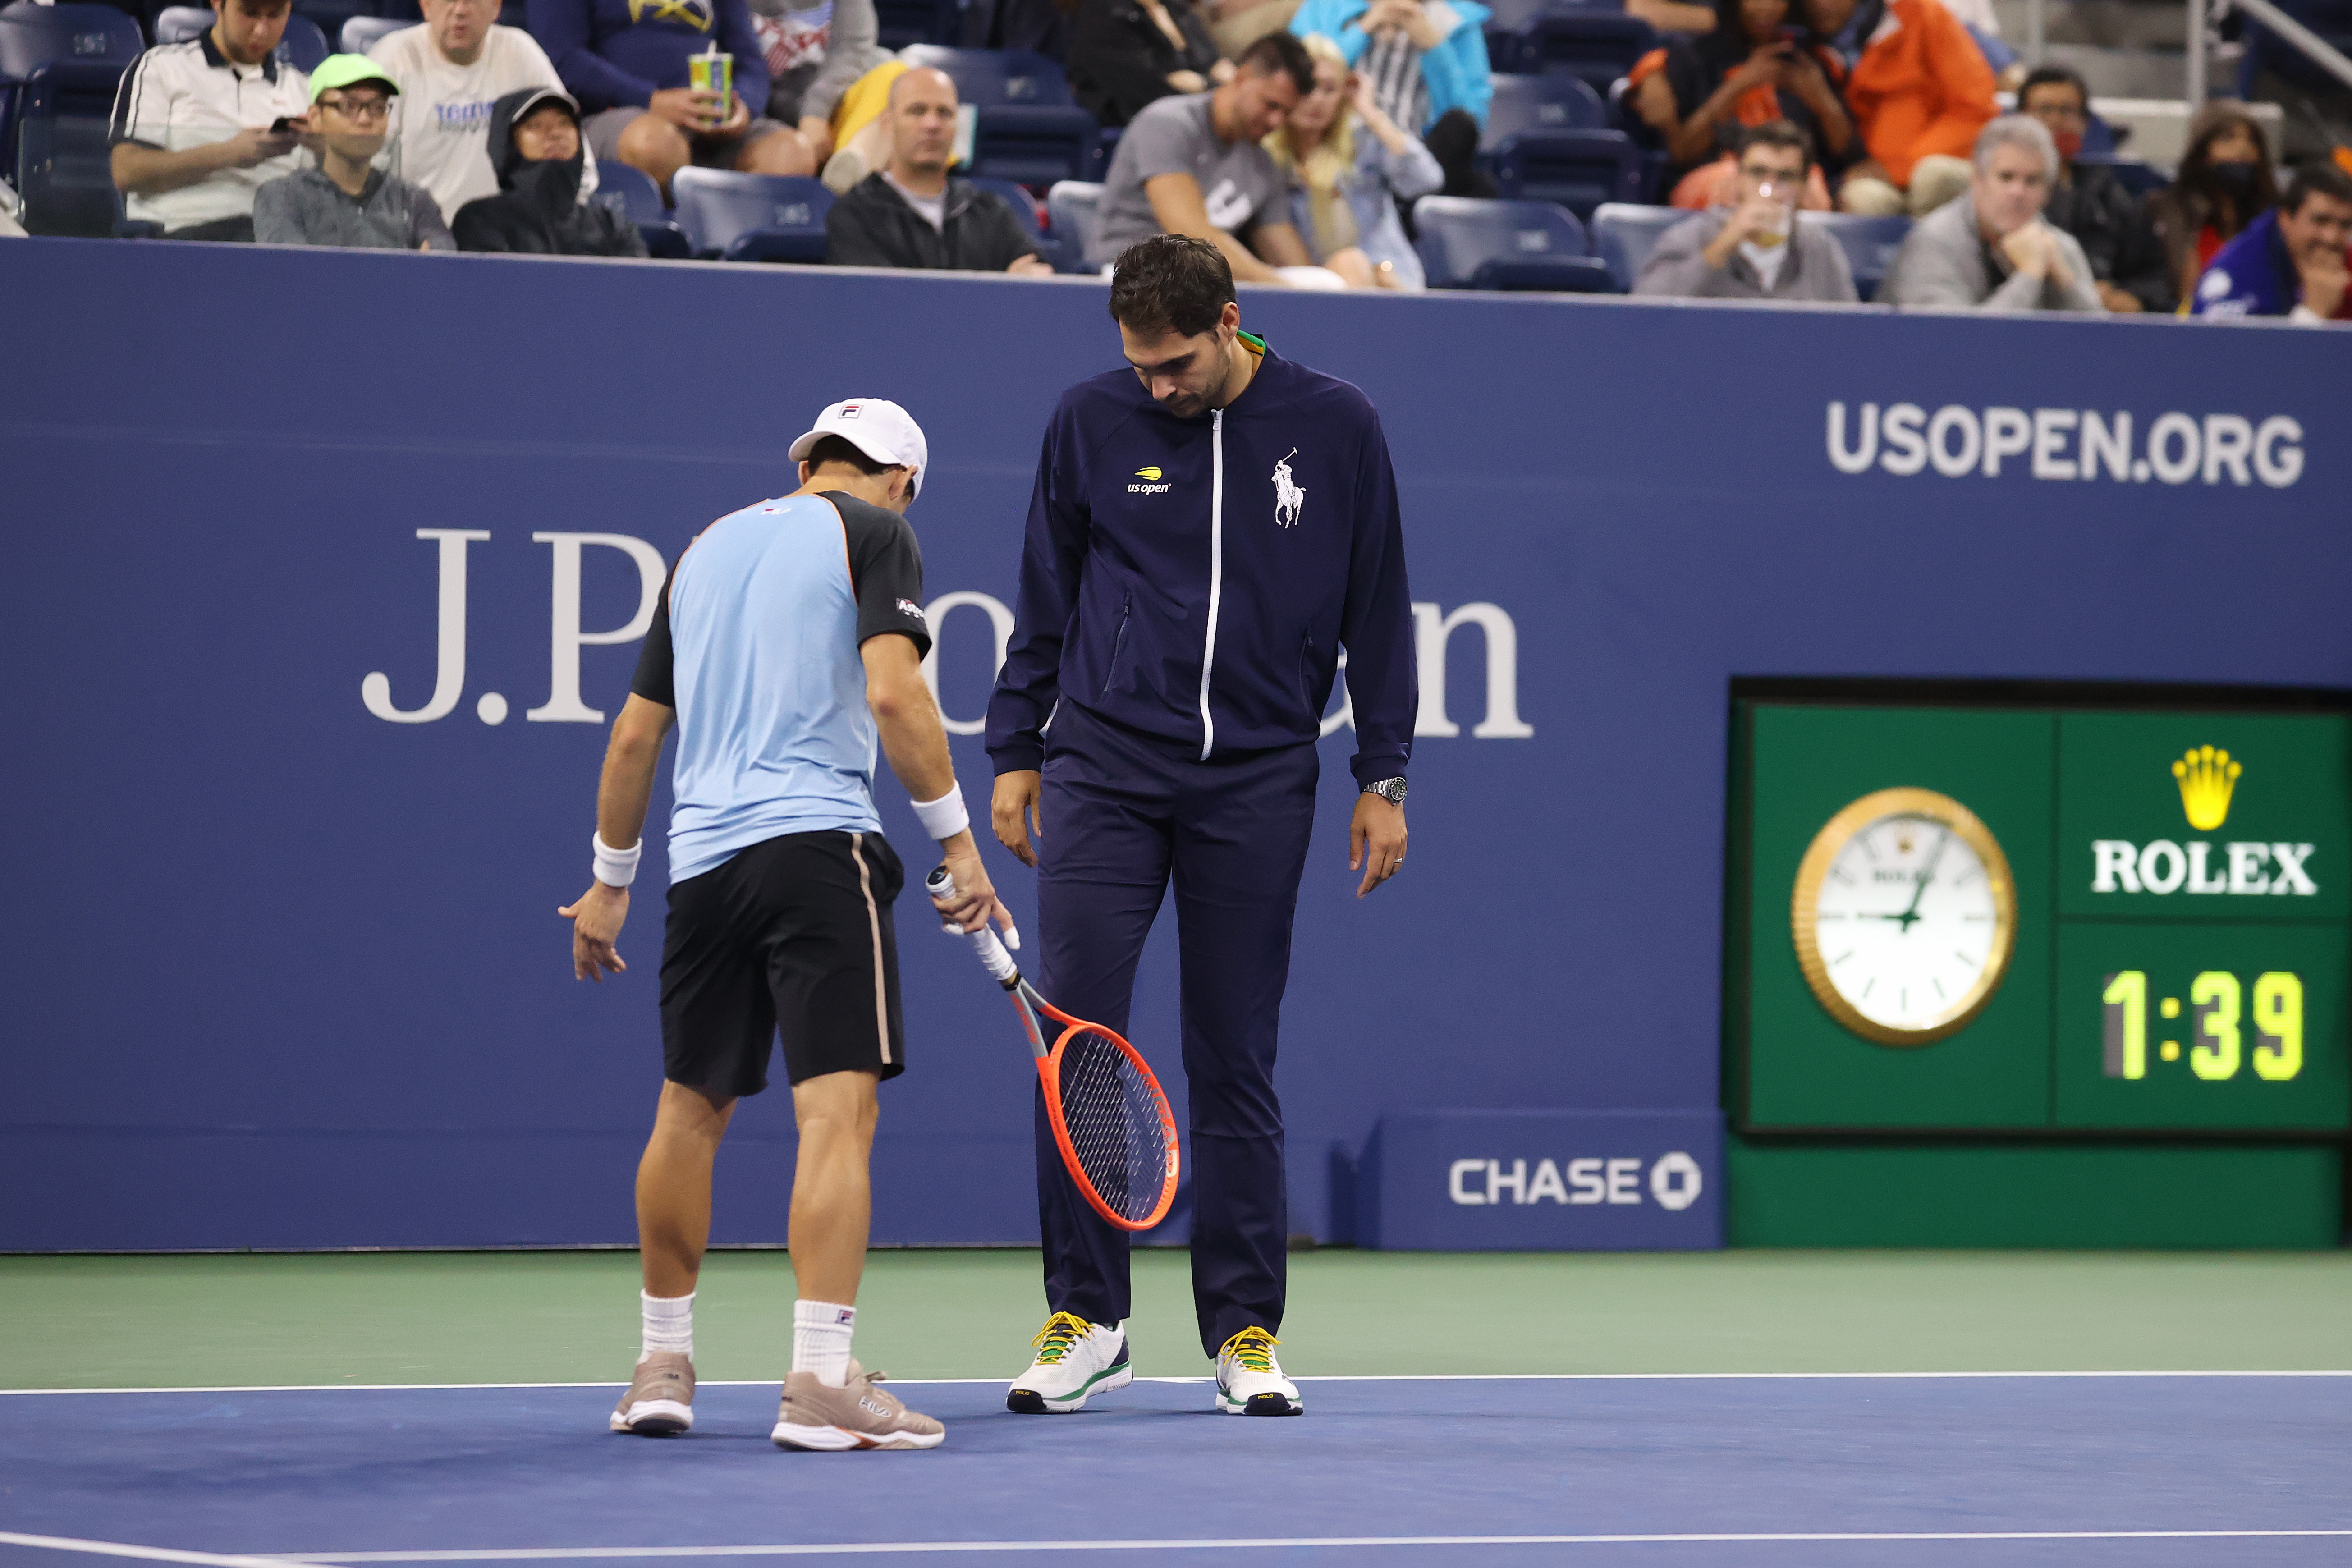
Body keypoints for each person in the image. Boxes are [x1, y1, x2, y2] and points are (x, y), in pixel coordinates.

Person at [984, 235, 1416, 1420]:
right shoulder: (1090, 418)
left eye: (1175, 364)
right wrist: (1015, 747)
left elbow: (1379, 603)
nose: (1157, 386)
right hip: (1103, 768)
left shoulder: (1336, 423)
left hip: (1260, 779)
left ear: (1230, 322)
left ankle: (1243, 1330)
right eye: (1140, 365)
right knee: (1079, 1044)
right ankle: (1088, 1317)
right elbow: (1044, 592)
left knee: (1234, 1054)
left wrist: (1384, 772)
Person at [564, 397, 1010, 1453]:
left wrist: (610, 881)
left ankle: (660, 1366)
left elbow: (633, 736)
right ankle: (818, 1379)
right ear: (900, 479)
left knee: (687, 1111)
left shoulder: (704, 548)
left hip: (702, 869)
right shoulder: (879, 529)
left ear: (811, 462)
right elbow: (896, 698)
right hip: (817, 852)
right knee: (836, 1116)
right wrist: (959, 845)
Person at [1090, 32, 1330, 283]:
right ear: (1242, 77)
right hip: (1128, 278)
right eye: (1271, 105)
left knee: (1326, 280)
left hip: (1200, 284)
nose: (1276, 121)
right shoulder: (1167, 125)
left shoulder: (1263, 164)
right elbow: (1189, 235)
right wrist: (1278, 286)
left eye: (1287, 113)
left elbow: (1288, 255)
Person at [529, 0, 801, 197]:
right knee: (655, 146)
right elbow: (563, 59)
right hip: (616, 115)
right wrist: (650, 100)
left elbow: (751, 63)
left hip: (713, 121)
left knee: (791, 155)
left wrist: (744, 110)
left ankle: (738, 255)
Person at [368, 0, 591, 222]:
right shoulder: (394, 57)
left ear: (496, 7)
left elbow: (577, 154)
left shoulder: (520, 52)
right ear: (426, 6)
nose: (460, 11)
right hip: (417, 232)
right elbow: (366, 168)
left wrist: (567, 226)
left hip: (507, 233)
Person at [109, 0, 312, 242]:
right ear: (218, 3)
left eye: (275, 15)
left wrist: (325, 148)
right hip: (183, 235)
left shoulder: (303, 87)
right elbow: (127, 171)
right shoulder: (161, 66)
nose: (261, 30)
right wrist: (229, 154)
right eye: (249, 13)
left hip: (277, 239)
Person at [824, 67, 1054, 273]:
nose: (932, 125)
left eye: (944, 113)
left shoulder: (990, 212)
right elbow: (882, 299)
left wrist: (1033, 276)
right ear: (888, 124)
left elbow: (1034, 274)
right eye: (917, 111)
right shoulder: (855, 215)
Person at [1626, 0, 1852, 207]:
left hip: (1795, 173)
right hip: (1715, 175)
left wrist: (1822, 100)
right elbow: (1683, 154)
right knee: (1735, 186)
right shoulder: (1694, 57)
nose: (1767, 6)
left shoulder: (1811, 62)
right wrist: (1738, 86)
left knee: (1812, 188)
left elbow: (1848, 154)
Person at [1265, 33, 1440, 288]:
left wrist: (1369, 110)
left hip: (1388, 276)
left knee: (1356, 264)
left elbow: (1425, 180)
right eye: (1308, 87)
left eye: (1329, 89)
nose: (1317, 100)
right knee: (1349, 264)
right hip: (1309, 284)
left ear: (1344, 94)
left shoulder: (1363, 143)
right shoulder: (1266, 158)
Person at [1880, 113, 2098, 310]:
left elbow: (2098, 336)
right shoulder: (1935, 241)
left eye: (2032, 181)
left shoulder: (2058, 246)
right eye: (2006, 177)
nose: (2018, 192)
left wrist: (2065, 283)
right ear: (1977, 180)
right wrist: (2030, 274)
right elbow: (1956, 338)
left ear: (2048, 193)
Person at [1799, 0, 1993, 216]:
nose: (1821, 5)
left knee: (1933, 177)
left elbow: (1975, 109)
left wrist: (1898, 168)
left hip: (1940, 165)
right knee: (1861, 196)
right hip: (1877, 175)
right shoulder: (1809, 45)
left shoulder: (1921, 15)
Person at [1288, 0, 1494, 197]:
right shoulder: (1323, 8)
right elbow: (1297, 82)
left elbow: (1469, 126)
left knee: (1479, 180)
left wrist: (1435, 49)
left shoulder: (1457, 20)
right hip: (1339, 147)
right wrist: (1364, 29)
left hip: (1419, 161)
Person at [1635, 119, 1857, 299]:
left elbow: (1851, 329)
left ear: (1804, 186)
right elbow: (1644, 311)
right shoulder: (1693, 235)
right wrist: (1723, 246)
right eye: (1758, 173)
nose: (1769, 189)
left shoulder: (1820, 247)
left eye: (1786, 177)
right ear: (1738, 177)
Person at [2014, 63, 2171, 313]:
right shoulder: (2003, 194)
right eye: (2044, 110)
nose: (2056, 121)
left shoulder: (2110, 194)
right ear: (2020, 118)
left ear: (2085, 123)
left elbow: (2154, 275)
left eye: (2067, 111)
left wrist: (2131, 298)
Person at [253, 55, 456, 249]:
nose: (365, 119)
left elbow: (441, 262)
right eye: (348, 106)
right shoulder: (281, 197)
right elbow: (292, 269)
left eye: (378, 107)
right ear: (315, 117)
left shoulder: (412, 200)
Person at [452, 86, 648, 254]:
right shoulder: (481, 221)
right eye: (535, 126)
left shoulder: (612, 226)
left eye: (564, 123)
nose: (555, 133)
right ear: (508, 142)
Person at [2147, 101, 2280, 307]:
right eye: (2228, 138)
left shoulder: (2272, 217)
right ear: (2202, 152)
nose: (2243, 148)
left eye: (2252, 140)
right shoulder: (2166, 210)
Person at [2189, 163, 2352, 323]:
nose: (2332, 238)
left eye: (2345, 225)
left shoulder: (2345, 262)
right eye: (2321, 221)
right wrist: (2314, 313)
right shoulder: (2238, 273)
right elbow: (2215, 340)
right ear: (2286, 218)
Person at [747, 0, 892, 177]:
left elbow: (852, 50)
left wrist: (815, 113)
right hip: (766, 112)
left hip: (833, 104)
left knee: (896, 77)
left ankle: (849, 170)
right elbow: (743, 68)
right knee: (788, 154)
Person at [1067, 0, 1225, 128]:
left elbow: (1213, 62)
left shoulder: (1173, 7)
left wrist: (1208, 81)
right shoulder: (1104, 14)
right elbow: (1145, 86)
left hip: (1190, 112)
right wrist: (1207, 84)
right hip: (1130, 122)